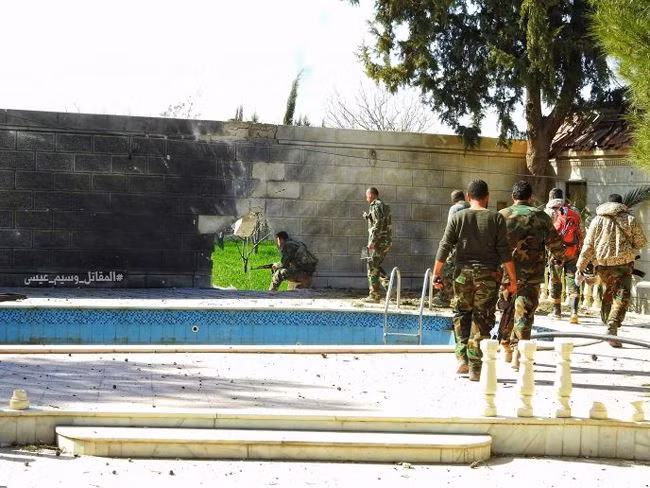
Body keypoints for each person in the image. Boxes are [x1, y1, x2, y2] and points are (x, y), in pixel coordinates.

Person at [432, 179, 516, 381]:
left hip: (462, 275)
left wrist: (436, 274)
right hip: (488, 276)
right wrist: (513, 279)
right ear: (487, 197)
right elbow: (504, 252)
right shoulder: (496, 218)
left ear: (469, 197)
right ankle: (475, 367)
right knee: (482, 317)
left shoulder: (458, 217)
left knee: (461, 313)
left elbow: (444, 246)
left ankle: (462, 358)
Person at [499, 181, 565, 370]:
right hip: (531, 274)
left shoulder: (501, 215)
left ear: (513, 197)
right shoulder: (541, 217)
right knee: (525, 314)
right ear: (530, 197)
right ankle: (519, 354)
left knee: (506, 310)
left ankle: (506, 348)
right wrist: (560, 257)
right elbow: (556, 245)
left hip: (505, 274)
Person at [576, 194, 647, 347]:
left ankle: (606, 321)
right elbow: (641, 242)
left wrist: (580, 267)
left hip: (603, 265)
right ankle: (612, 327)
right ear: (621, 205)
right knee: (621, 296)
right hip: (623, 265)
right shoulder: (629, 219)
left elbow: (588, 245)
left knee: (609, 291)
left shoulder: (597, 220)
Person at [545, 188, 583, 323]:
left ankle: (557, 312)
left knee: (555, 280)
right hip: (572, 251)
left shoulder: (548, 211)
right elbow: (581, 232)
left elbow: (545, 233)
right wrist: (580, 249)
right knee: (572, 279)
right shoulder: (574, 211)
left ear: (550, 198)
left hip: (556, 252)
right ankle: (574, 312)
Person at [435, 190, 471, 307]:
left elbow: (450, 230)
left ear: (454, 199)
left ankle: (444, 298)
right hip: (472, 246)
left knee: (448, 271)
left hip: (457, 246)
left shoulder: (455, 208)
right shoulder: (470, 207)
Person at [362, 187, 393, 303]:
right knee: (375, 264)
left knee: (371, 265)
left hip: (378, 241)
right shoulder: (382, 205)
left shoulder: (375, 205)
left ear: (371, 195)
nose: (366, 198)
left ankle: (374, 295)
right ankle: (390, 286)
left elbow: (378, 223)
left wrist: (373, 241)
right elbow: (380, 220)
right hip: (385, 240)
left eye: (367, 195)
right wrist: (368, 217)